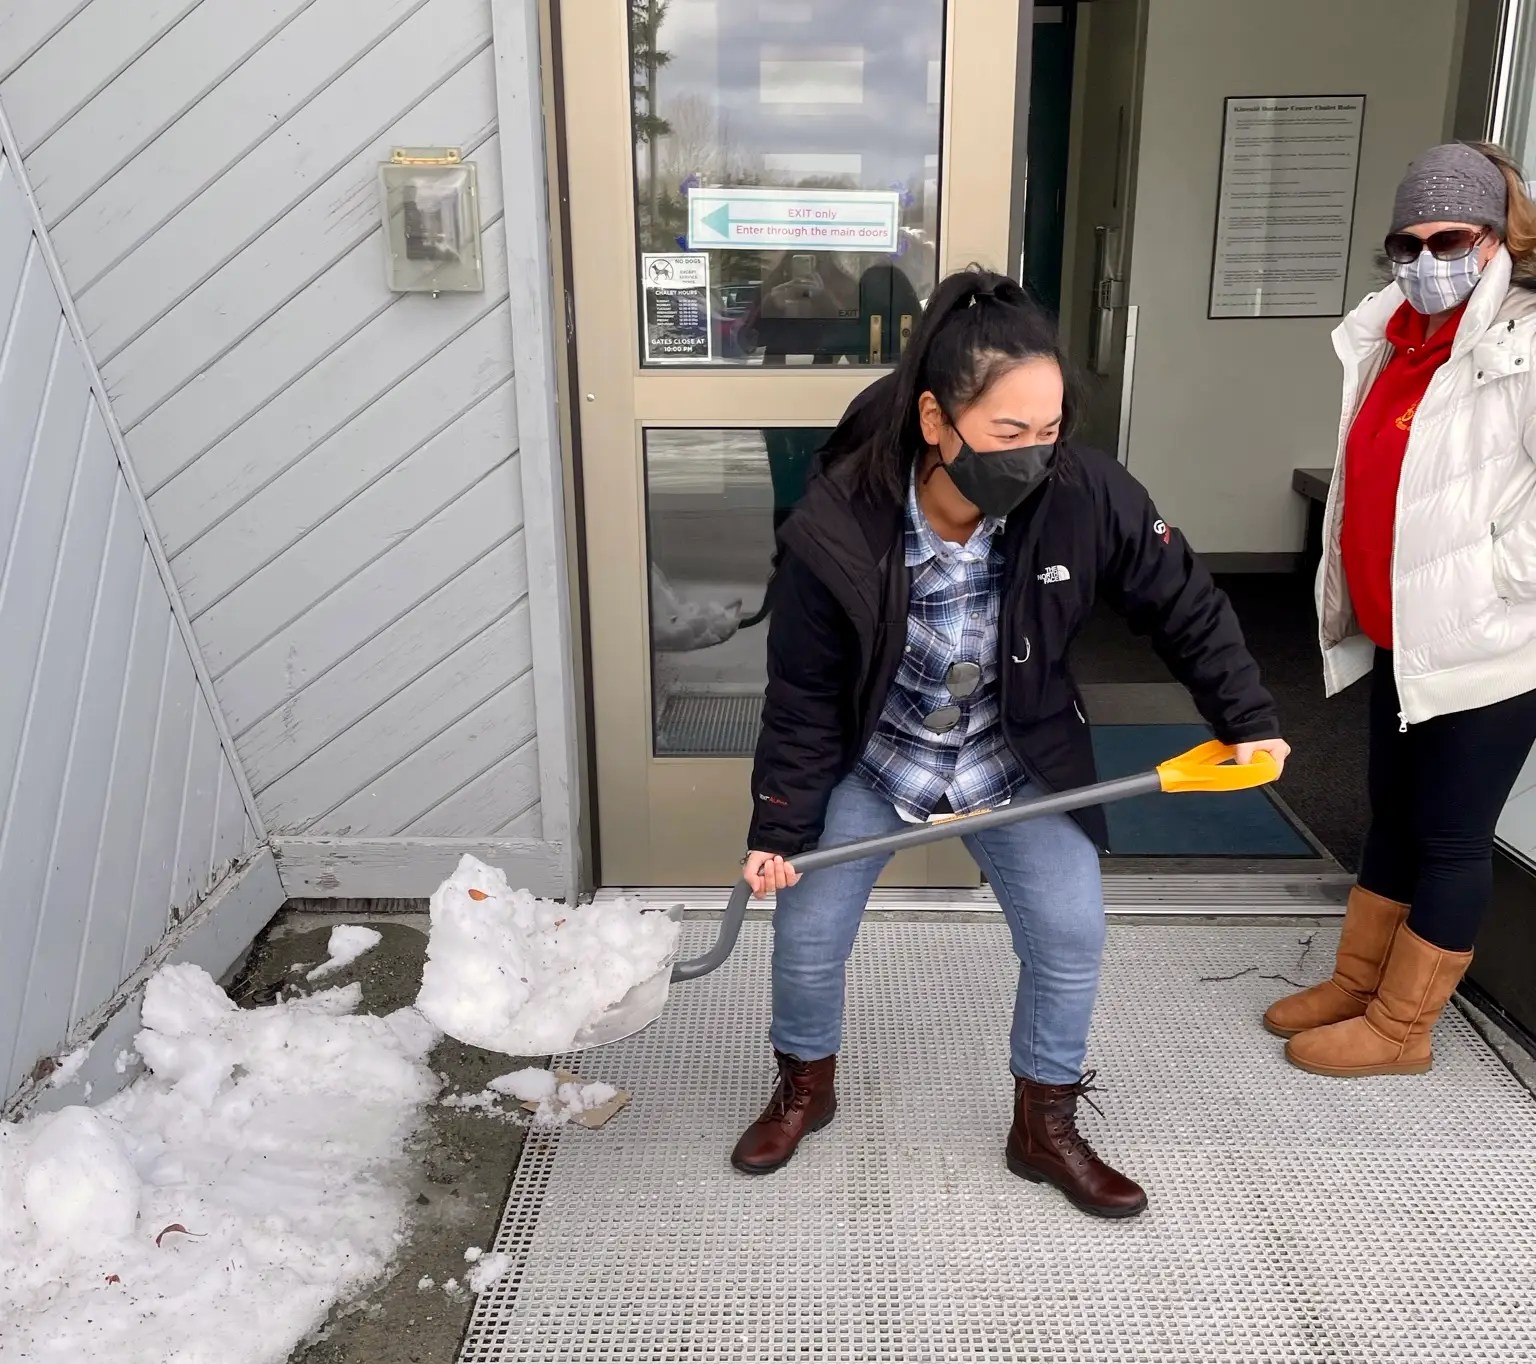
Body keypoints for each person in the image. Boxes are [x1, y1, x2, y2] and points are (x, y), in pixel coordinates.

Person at [731, 266, 1291, 1218]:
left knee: (1071, 932)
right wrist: (778, 827)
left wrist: (1249, 720)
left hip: (1012, 755)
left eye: (1048, 430)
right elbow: (805, 695)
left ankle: (1044, 1125)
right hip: (880, 756)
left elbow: (1185, 603)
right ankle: (804, 1087)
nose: (1032, 456)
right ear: (936, 420)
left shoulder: (1086, 493)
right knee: (808, 933)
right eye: (1006, 433)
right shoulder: (840, 521)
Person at [1265, 142, 1536, 1078]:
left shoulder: (1524, 341)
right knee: (1391, 814)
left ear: (1495, 238)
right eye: (1406, 243)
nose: (1426, 260)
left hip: (1488, 642)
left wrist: (1497, 576)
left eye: (1448, 240)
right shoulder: (1395, 333)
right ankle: (1359, 982)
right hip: (1407, 633)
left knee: (1452, 837)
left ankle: (1402, 1029)